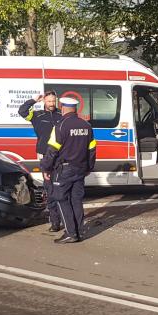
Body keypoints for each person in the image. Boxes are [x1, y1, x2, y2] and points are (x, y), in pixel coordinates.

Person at [41, 97, 96, 244]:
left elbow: (52, 151)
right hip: (81, 168)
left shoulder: (60, 126)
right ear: (75, 108)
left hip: (64, 170)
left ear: (63, 108)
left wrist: (46, 168)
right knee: (76, 200)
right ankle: (79, 231)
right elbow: (92, 149)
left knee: (61, 199)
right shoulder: (87, 126)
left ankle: (70, 233)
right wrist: (89, 167)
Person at [18, 91, 64, 232]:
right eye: (49, 101)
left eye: (53, 101)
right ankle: (55, 222)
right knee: (49, 189)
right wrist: (33, 100)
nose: (52, 104)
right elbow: (22, 111)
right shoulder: (37, 115)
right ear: (44, 101)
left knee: (61, 189)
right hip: (45, 156)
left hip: (60, 156)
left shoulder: (61, 115)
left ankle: (65, 218)